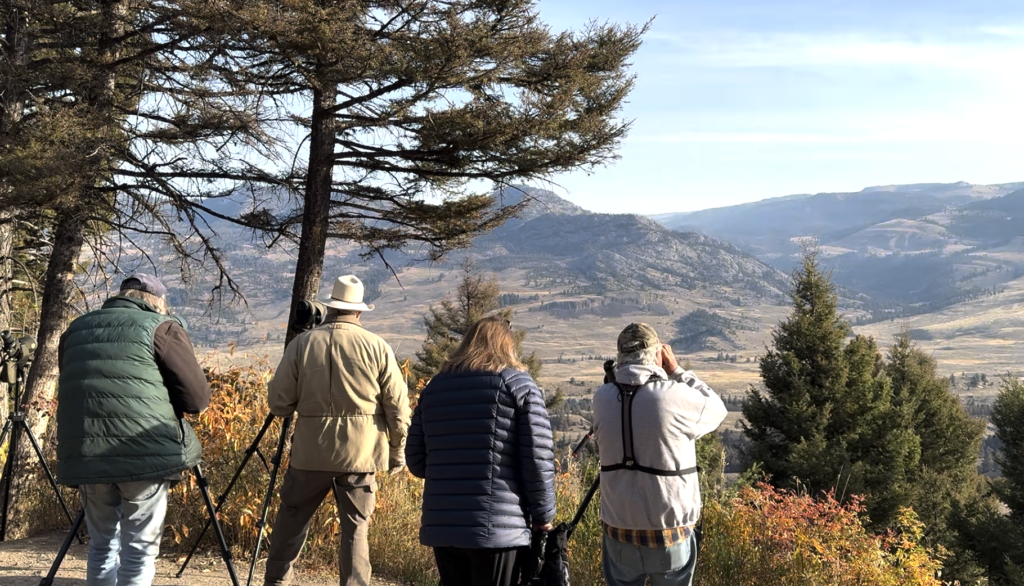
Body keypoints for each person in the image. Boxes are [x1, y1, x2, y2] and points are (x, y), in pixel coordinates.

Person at [56, 273, 211, 586]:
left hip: (87, 453)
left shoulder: (75, 330)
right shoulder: (161, 327)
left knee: (101, 545)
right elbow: (197, 400)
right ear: (157, 302)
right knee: (139, 549)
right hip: (145, 453)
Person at [264, 275, 411, 586]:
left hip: (309, 452)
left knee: (292, 519)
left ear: (329, 308)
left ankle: (277, 580)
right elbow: (397, 407)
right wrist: (397, 451)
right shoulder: (377, 347)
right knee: (356, 528)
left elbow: (279, 404)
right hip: (361, 454)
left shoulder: (301, 344)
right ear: (358, 312)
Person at [405, 315, 556, 586]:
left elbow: (416, 462)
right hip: (499, 529)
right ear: (508, 346)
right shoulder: (518, 385)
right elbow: (537, 460)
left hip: (443, 526)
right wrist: (544, 518)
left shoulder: (434, 388)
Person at [592, 322, 727, 586]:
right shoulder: (673, 396)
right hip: (669, 533)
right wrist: (675, 370)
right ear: (657, 355)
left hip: (618, 529)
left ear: (620, 356)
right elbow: (717, 410)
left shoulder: (602, 398)